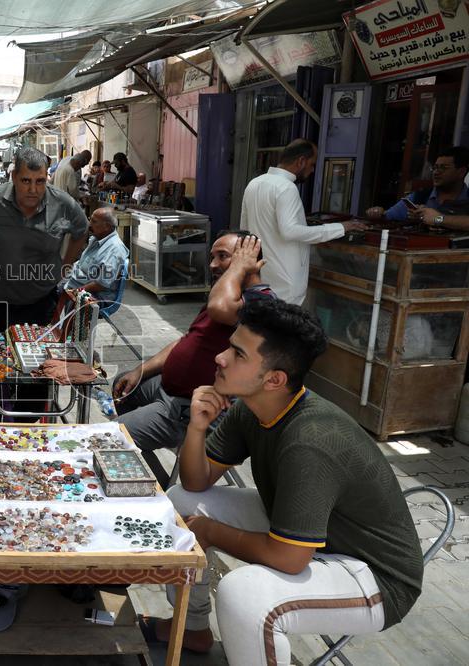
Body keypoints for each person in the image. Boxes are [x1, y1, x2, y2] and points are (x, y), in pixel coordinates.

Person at [143, 299, 423, 666]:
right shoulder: (253, 405)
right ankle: (193, 628)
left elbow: (288, 558)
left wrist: (211, 531)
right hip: (313, 534)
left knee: (243, 596)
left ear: (274, 379)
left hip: (375, 575)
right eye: (230, 346)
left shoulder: (311, 440)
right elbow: (196, 484)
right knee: (180, 502)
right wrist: (196, 428)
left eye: (238, 354)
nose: (220, 358)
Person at [112, 233, 274, 486]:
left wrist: (241, 267)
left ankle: (161, 484)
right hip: (168, 391)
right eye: (212, 257)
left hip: (191, 408)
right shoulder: (223, 292)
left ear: (249, 260)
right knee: (122, 384)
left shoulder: (260, 301)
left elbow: (219, 308)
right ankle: (146, 465)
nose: (211, 265)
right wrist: (140, 370)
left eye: (223, 257)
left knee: (112, 437)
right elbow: (189, 338)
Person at [0, 146, 89, 333]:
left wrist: (65, 265)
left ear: (47, 178)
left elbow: (81, 230)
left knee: (38, 362)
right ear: (14, 178)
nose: (33, 189)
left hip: (40, 305)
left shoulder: (63, 204)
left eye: (40, 181)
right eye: (26, 180)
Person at [240, 139, 367, 305]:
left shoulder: (254, 183)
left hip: (259, 277)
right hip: (285, 283)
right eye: (312, 164)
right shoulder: (286, 188)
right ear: (301, 161)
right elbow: (290, 231)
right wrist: (340, 227)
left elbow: (244, 230)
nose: (312, 170)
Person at [366, 146, 469, 230]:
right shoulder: (420, 196)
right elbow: (388, 217)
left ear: (461, 172)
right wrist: (378, 213)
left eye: (444, 168)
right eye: (435, 167)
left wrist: (437, 219)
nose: (436, 172)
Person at [61, 207, 128, 303]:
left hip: (96, 295)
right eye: (90, 219)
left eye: (94, 221)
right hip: (75, 282)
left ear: (107, 227)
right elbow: (81, 264)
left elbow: (101, 285)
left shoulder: (115, 250)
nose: (89, 224)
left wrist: (75, 291)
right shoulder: (96, 239)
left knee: (49, 301)